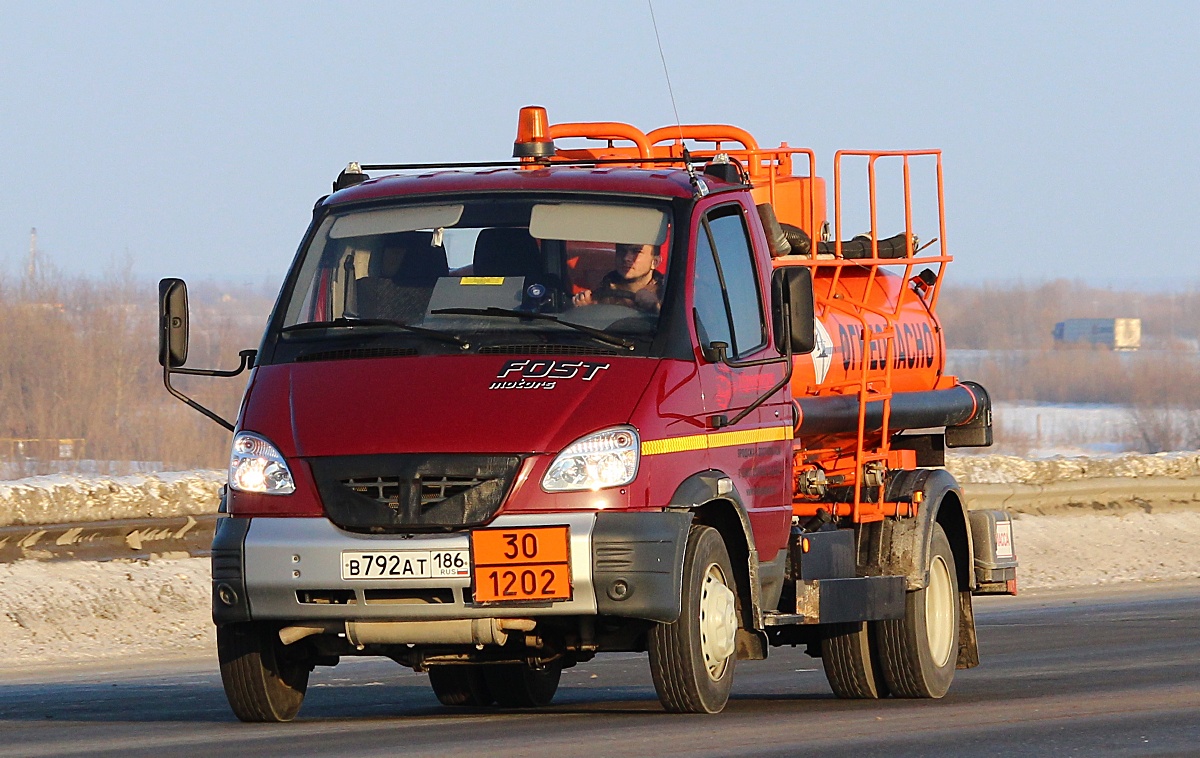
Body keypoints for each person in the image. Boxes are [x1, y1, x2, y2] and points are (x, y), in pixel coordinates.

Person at [572, 242, 664, 313]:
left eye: (637, 251)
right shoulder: (600, 295)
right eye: (621, 250)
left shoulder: (670, 295)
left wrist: (656, 308)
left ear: (655, 262)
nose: (626, 258)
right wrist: (587, 309)